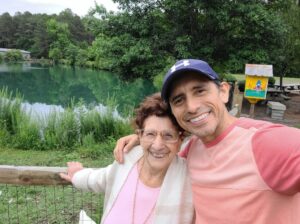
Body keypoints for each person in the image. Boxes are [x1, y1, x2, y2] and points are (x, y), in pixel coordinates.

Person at [114, 59, 300, 224]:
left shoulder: (265, 143)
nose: (192, 107)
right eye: (179, 100)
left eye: (200, 91)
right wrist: (144, 137)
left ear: (223, 92)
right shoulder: (192, 149)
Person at [60, 93, 194, 224]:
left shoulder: (190, 179)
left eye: (168, 135)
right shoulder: (129, 159)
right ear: (139, 136)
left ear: (180, 140)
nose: (158, 145)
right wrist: (77, 175)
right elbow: (101, 178)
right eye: (150, 134)